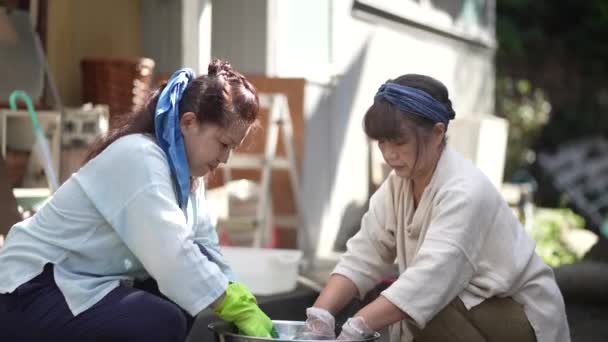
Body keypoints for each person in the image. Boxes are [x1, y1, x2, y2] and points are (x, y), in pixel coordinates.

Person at [0, 59, 277, 341]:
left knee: (186, 295)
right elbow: (172, 253)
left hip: (81, 286)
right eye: (223, 143)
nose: (226, 158)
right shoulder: (139, 156)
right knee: (161, 320)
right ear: (188, 122)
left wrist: (242, 299)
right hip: (31, 289)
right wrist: (232, 305)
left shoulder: (188, 179)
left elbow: (205, 252)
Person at [300, 74, 570, 342]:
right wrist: (320, 315)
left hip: (520, 317)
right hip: (468, 309)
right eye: (382, 142)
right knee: (411, 303)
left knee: (420, 305)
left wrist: (357, 326)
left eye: (399, 142)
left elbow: (429, 281)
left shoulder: (465, 190)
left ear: (438, 133)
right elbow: (364, 253)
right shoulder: (398, 185)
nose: (389, 154)